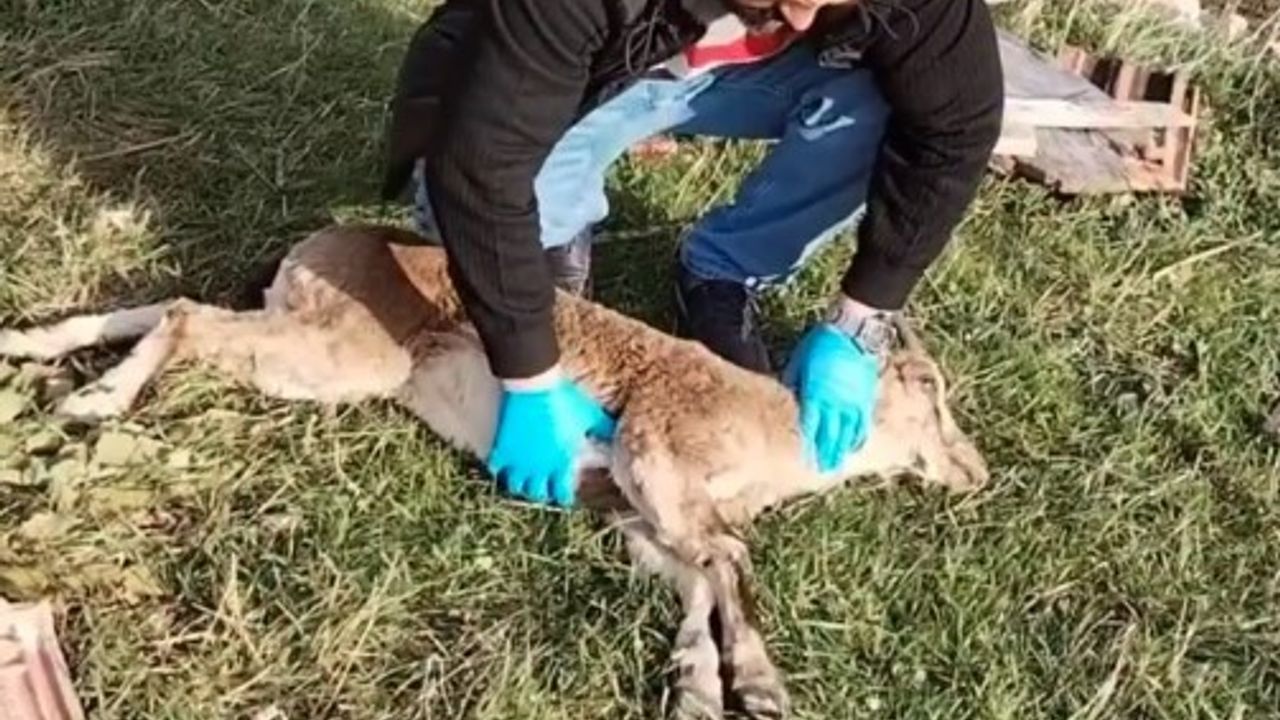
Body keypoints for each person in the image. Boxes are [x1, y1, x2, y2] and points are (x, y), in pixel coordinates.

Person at [379, 0, 1004, 507]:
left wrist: (861, 320)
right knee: (494, 260)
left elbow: (956, 123)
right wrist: (529, 375)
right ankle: (555, 232)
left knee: (879, 102)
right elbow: (481, 170)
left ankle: (722, 272)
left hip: (739, 77)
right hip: (574, 80)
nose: (803, 17)